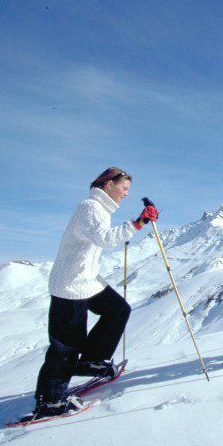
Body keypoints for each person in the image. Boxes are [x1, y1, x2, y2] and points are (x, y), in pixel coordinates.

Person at [31, 167, 159, 418]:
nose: (125, 195)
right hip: (70, 284)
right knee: (66, 345)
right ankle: (50, 400)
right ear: (109, 184)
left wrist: (136, 224)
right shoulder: (90, 207)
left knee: (118, 309)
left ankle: (92, 360)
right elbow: (103, 238)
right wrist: (138, 223)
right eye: (124, 189)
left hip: (86, 280)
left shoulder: (100, 209)